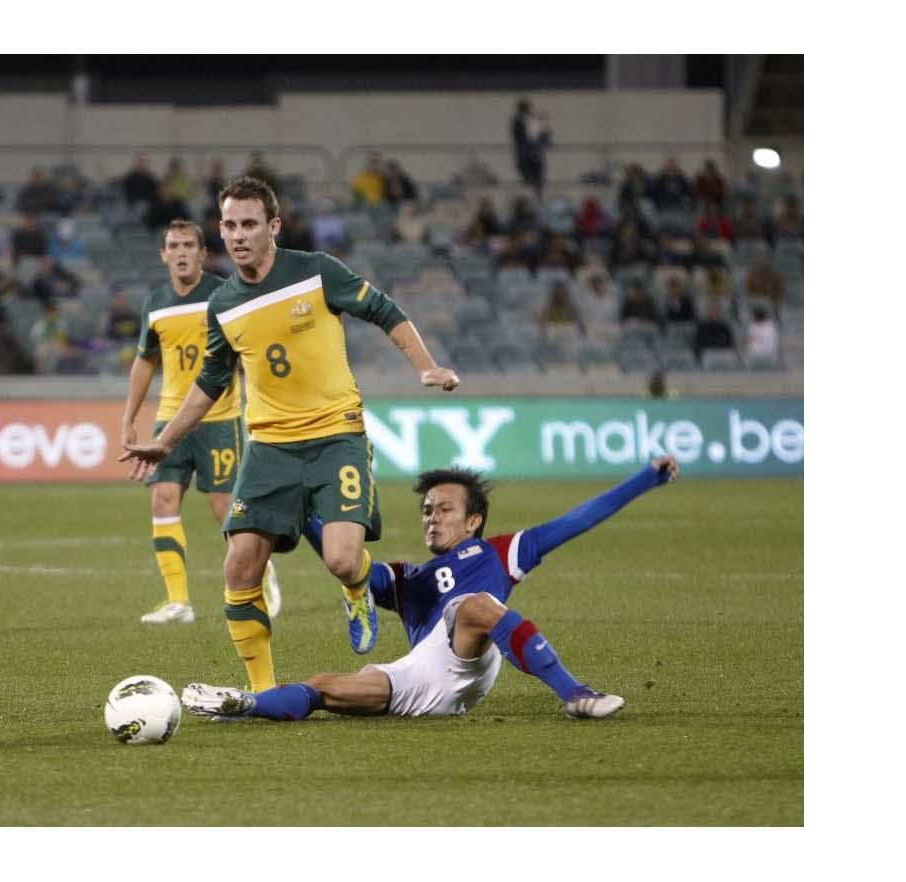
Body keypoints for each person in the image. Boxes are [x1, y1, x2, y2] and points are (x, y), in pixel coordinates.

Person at [120, 176, 460, 693]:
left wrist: (426, 367)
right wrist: (164, 440)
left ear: (273, 226)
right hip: (269, 448)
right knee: (239, 567)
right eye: (230, 225)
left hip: (335, 436)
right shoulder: (224, 304)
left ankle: (357, 589)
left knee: (343, 559)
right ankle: (264, 692)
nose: (238, 235)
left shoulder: (315, 271)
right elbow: (210, 382)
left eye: (249, 224)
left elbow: (384, 310)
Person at [180, 459, 678, 722]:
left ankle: (575, 695)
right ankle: (244, 704)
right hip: (423, 683)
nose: (431, 517)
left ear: (474, 520)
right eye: (426, 510)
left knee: (473, 607)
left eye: (443, 509)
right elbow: (351, 567)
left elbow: (577, 519)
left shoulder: (502, 552)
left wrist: (645, 479)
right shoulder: (411, 579)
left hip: (470, 651)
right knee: (324, 688)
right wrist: (306, 510)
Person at [120, 220, 280, 625]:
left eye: (188, 245)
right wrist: (129, 419)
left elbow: (249, 350)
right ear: (163, 253)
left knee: (225, 508)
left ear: (202, 252)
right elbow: (145, 361)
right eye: (173, 245)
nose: (180, 252)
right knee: (162, 499)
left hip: (218, 418)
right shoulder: (155, 302)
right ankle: (178, 602)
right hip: (169, 420)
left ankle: (262, 573)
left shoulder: (222, 294)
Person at [510, 98, 549, 199]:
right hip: (525, 153)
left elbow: (542, 134)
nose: (527, 111)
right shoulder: (517, 121)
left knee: (538, 178)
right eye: (525, 109)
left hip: (534, 153)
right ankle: (532, 193)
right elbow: (518, 137)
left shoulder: (533, 120)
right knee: (527, 178)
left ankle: (538, 194)